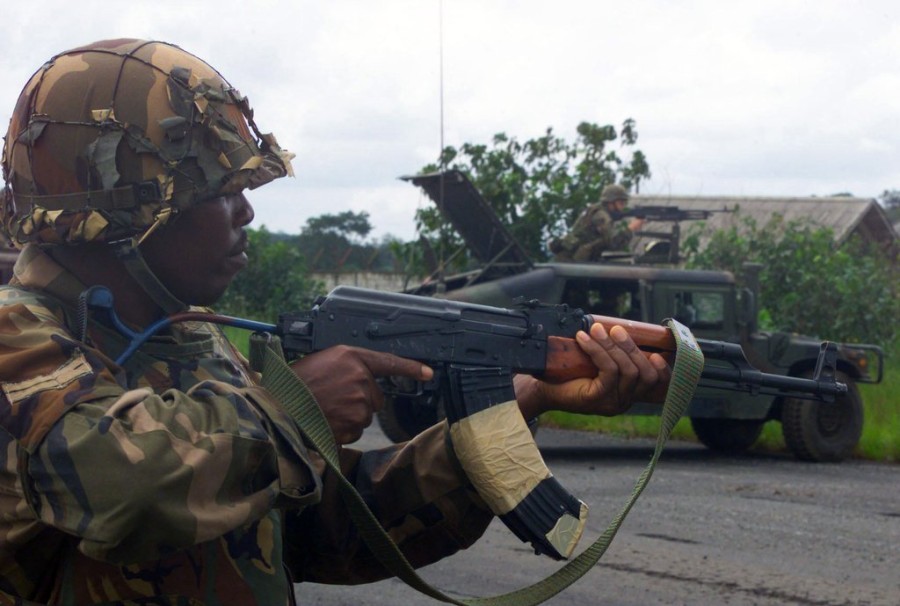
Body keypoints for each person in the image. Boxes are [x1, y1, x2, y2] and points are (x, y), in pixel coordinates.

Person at [0, 39, 669, 605]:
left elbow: (320, 531)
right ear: (125, 213)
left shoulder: (191, 339)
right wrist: (292, 409)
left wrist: (515, 411)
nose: (246, 215)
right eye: (221, 192)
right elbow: (119, 487)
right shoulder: (17, 342)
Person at [551, 183, 646, 262]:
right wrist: (631, 228)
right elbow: (614, 243)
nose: (623, 207)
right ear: (611, 202)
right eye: (621, 203)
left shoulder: (595, 210)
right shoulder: (601, 216)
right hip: (571, 264)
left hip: (571, 262)